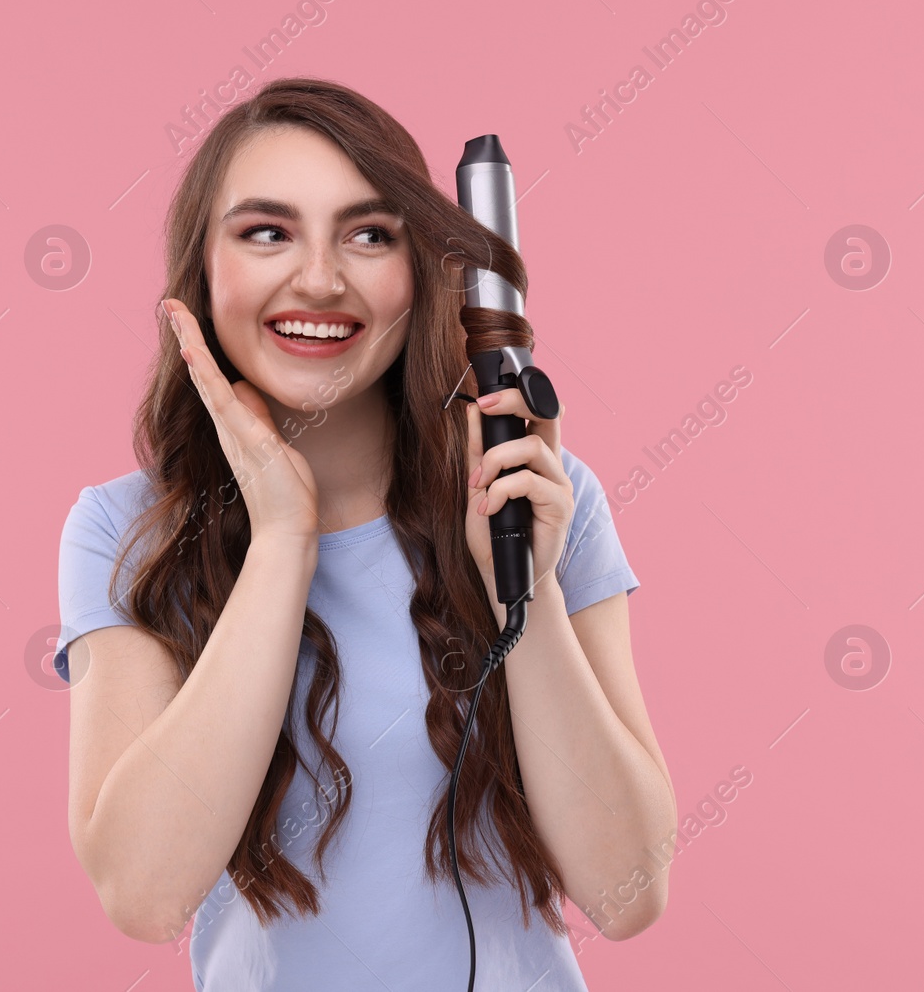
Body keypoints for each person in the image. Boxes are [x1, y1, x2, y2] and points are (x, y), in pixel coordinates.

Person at [55, 77, 675, 990]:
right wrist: (281, 540)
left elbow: (627, 893)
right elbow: (143, 893)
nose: (318, 278)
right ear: (202, 271)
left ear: (421, 270)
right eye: (267, 232)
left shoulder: (535, 493)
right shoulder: (125, 529)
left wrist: (521, 592)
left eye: (369, 234)